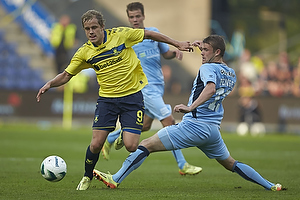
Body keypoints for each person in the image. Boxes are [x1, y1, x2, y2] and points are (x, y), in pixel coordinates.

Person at [93, 35, 284, 191]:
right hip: (212, 131)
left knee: (145, 145)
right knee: (230, 163)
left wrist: (190, 107)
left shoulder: (208, 67)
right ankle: (270, 185)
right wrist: (203, 45)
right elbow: (215, 77)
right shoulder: (231, 72)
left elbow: (210, 87)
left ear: (217, 52)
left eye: (206, 50)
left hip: (194, 125)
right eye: (202, 49)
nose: (202, 53)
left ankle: (115, 178)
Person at [36, 9, 193, 191]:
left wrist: (177, 43)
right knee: (95, 144)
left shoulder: (121, 35)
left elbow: (149, 33)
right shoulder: (85, 52)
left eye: (94, 27)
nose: (91, 32)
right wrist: (49, 84)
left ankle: (121, 134)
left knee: (132, 146)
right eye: (87, 29)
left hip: (132, 97)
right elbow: (66, 75)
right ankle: (87, 176)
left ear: (103, 27)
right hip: (107, 101)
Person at [101, 2, 202, 176]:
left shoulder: (153, 33)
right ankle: (182, 164)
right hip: (144, 89)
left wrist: (174, 53)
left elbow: (165, 54)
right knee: (169, 122)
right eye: (131, 17)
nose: (134, 20)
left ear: (143, 16)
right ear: (128, 18)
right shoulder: (127, 39)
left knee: (145, 126)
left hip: (158, 87)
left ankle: (110, 138)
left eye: (137, 16)